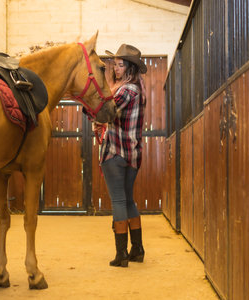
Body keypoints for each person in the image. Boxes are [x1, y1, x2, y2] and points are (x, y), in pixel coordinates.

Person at [95, 44, 147, 267]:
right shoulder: (138, 90)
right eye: (114, 64)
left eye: (120, 64)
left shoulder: (126, 91)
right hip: (133, 155)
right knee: (128, 200)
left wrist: (93, 112)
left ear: (130, 68)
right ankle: (137, 249)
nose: (115, 68)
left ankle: (121, 254)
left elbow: (105, 112)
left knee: (118, 201)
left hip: (116, 151)